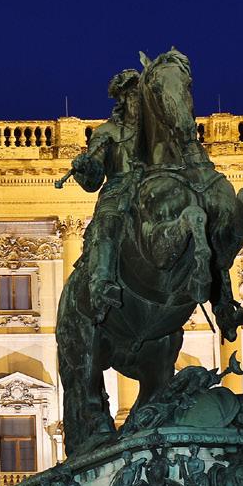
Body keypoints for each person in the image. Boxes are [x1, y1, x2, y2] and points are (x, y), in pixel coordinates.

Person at [60, 69, 143, 315]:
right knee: (107, 223)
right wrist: (86, 166)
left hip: (154, 190)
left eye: (143, 96)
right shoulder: (106, 133)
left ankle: (221, 296)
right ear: (123, 100)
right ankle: (101, 283)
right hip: (118, 190)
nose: (139, 102)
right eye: (134, 96)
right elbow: (93, 181)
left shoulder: (159, 134)